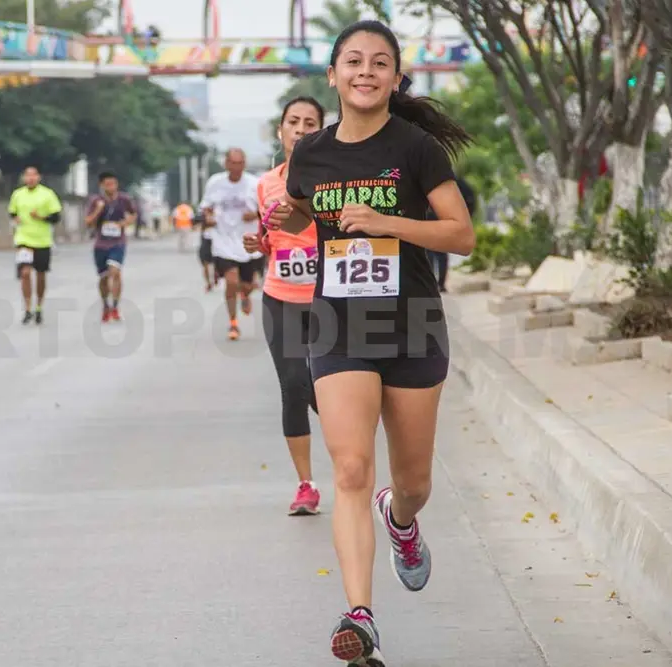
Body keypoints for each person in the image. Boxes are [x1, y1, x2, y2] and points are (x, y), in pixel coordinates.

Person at [265, 20, 474, 666]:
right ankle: (360, 615)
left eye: (378, 62)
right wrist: (285, 220)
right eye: (351, 61)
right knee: (350, 468)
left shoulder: (414, 149)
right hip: (339, 325)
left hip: (410, 325)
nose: (364, 71)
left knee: (411, 481)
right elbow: (305, 207)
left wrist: (386, 222)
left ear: (394, 78)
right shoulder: (312, 152)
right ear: (332, 76)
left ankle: (402, 522)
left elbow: (460, 234)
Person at [242, 96, 326, 516]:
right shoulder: (265, 184)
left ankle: (354, 465)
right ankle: (306, 485)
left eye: (310, 122)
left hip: (328, 300)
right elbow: (269, 238)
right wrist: (257, 243)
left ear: (322, 131)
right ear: (281, 131)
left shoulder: (333, 180)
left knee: (330, 388)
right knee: (293, 386)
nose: (300, 128)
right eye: (293, 121)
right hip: (281, 297)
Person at [200, 148, 262, 341]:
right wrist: (209, 218)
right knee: (232, 281)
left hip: (248, 241)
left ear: (245, 164)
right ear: (226, 164)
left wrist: (255, 215)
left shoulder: (255, 184)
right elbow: (206, 208)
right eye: (232, 163)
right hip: (224, 240)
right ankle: (233, 322)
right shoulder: (215, 183)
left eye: (240, 163)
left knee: (247, 284)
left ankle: (245, 295)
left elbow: (267, 210)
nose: (236, 167)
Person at [8, 166, 63, 325]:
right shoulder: (18, 194)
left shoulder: (47, 194)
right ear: (24, 178)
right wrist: (15, 218)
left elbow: (56, 217)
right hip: (23, 239)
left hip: (42, 240)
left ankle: (39, 306)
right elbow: (12, 212)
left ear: (38, 177)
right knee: (25, 273)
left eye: (33, 175)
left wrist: (40, 217)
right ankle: (27, 308)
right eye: (27, 176)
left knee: (40, 275)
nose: (30, 178)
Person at [85, 171, 137, 323]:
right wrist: (98, 211)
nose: (111, 187)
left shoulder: (124, 199)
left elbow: (133, 214)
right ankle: (105, 305)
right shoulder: (96, 200)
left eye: (113, 184)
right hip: (101, 243)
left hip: (118, 242)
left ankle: (115, 306)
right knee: (103, 277)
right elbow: (88, 222)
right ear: (101, 185)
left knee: (115, 271)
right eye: (108, 184)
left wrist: (125, 223)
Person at [427, 176, 476, 292]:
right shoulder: (456, 183)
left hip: (437, 222)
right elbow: (471, 201)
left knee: (432, 254)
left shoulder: (447, 183)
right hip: (439, 222)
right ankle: (439, 284)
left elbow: (470, 201)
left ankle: (436, 283)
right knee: (437, 254)